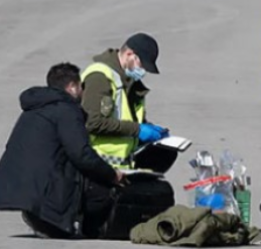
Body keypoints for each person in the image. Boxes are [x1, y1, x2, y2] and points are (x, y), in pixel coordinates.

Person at [0, 63, 124, 239]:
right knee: (102, 189)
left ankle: (43, 218)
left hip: (26, 192)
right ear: (72, 87)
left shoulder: (34, 109)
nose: (82, 93)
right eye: (81, 87)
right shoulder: (67, 110)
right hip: (47, 195)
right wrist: (111, 174)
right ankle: (89, 231)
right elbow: (81, 154)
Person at [80, 33, 169, 235]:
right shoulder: (100, 76)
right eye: (142, 64)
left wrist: (152, 130)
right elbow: (93, 122)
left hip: (123, 171)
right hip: (96, 172)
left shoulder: (129, 83)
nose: (143, 71)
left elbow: (127, 119)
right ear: (129, 54)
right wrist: (139, 130)